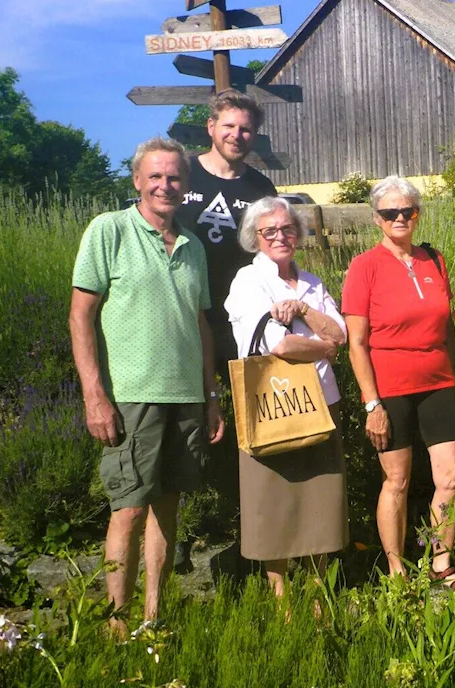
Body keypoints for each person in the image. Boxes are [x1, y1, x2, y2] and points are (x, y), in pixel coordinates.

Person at [69, 137, 225, 634]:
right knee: (129, 509)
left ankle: (153, 618)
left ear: (186, 185)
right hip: (131, 396)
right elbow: (80, 316)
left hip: (186, 397)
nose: (165, 185)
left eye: (174, 177)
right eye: (154, 176)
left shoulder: (193, 246)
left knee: (168, 506)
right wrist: (96, 396)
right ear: (136, 180)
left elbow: (201, 325)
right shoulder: (109, 231)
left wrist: (211, 396)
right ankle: (117, 623)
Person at [341, 177, 455, 587]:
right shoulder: (364, 266)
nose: (399, 218)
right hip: (389, 389)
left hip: (438, 382)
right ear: (376, 219)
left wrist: (452, 371)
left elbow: (447, 325)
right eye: (389, 213)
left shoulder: (435, 259)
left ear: (418, 214)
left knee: (450, 478)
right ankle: (396, 570)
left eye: (407, 211)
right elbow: (356, 343)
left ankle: (441, 560)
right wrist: (371, 404)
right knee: (397, 480)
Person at [223, 196, 349, 596]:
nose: (281, 236)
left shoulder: (312, 281)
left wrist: (304, 311)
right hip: (273, 405)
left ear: (298, 232)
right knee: (274, 503)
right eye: (270, 231)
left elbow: (341, 332)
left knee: (320, 504)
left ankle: (318, 595)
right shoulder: (248, 280)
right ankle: (282, 601)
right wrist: (325, 349)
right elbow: (281, 347)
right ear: (255, 237)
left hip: (321, 403)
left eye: (288, 228)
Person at [175, 89, 277, 569]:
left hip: (240, 323)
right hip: (183, 317)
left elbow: (272, 254)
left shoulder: (260, 188)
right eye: (229, 126)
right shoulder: (182, 173)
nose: (237, 135)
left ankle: (251, 525)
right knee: (186, 423)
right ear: (211, 126)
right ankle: (178, 527)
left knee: (246, 424)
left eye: (246, 129)